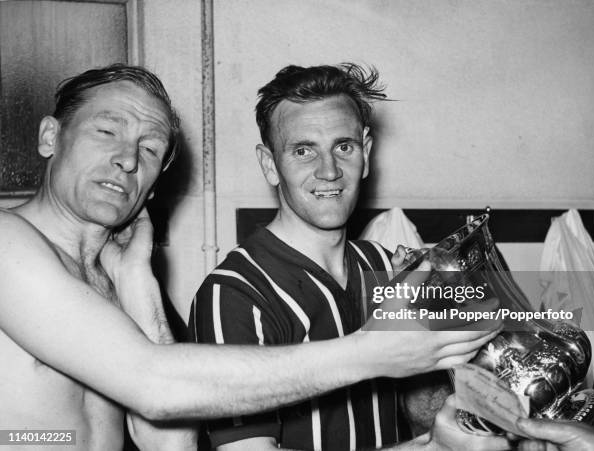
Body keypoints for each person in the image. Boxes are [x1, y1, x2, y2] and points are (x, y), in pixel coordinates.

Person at [0, 63, 501, 451]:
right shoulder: (7, 241)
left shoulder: (109, 278)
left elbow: (169, 441)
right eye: (106, 132)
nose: (128, 159)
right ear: (50, 137)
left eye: (150, 148)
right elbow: (154, 383)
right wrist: (371, 351)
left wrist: (138, 281)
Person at [189, 63, 506, 450]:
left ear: (366, 153)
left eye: (344, 147)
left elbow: (428, 410)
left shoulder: (386, 267)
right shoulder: (234, 294)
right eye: (303, 150)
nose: (329, 171)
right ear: (270, 165)